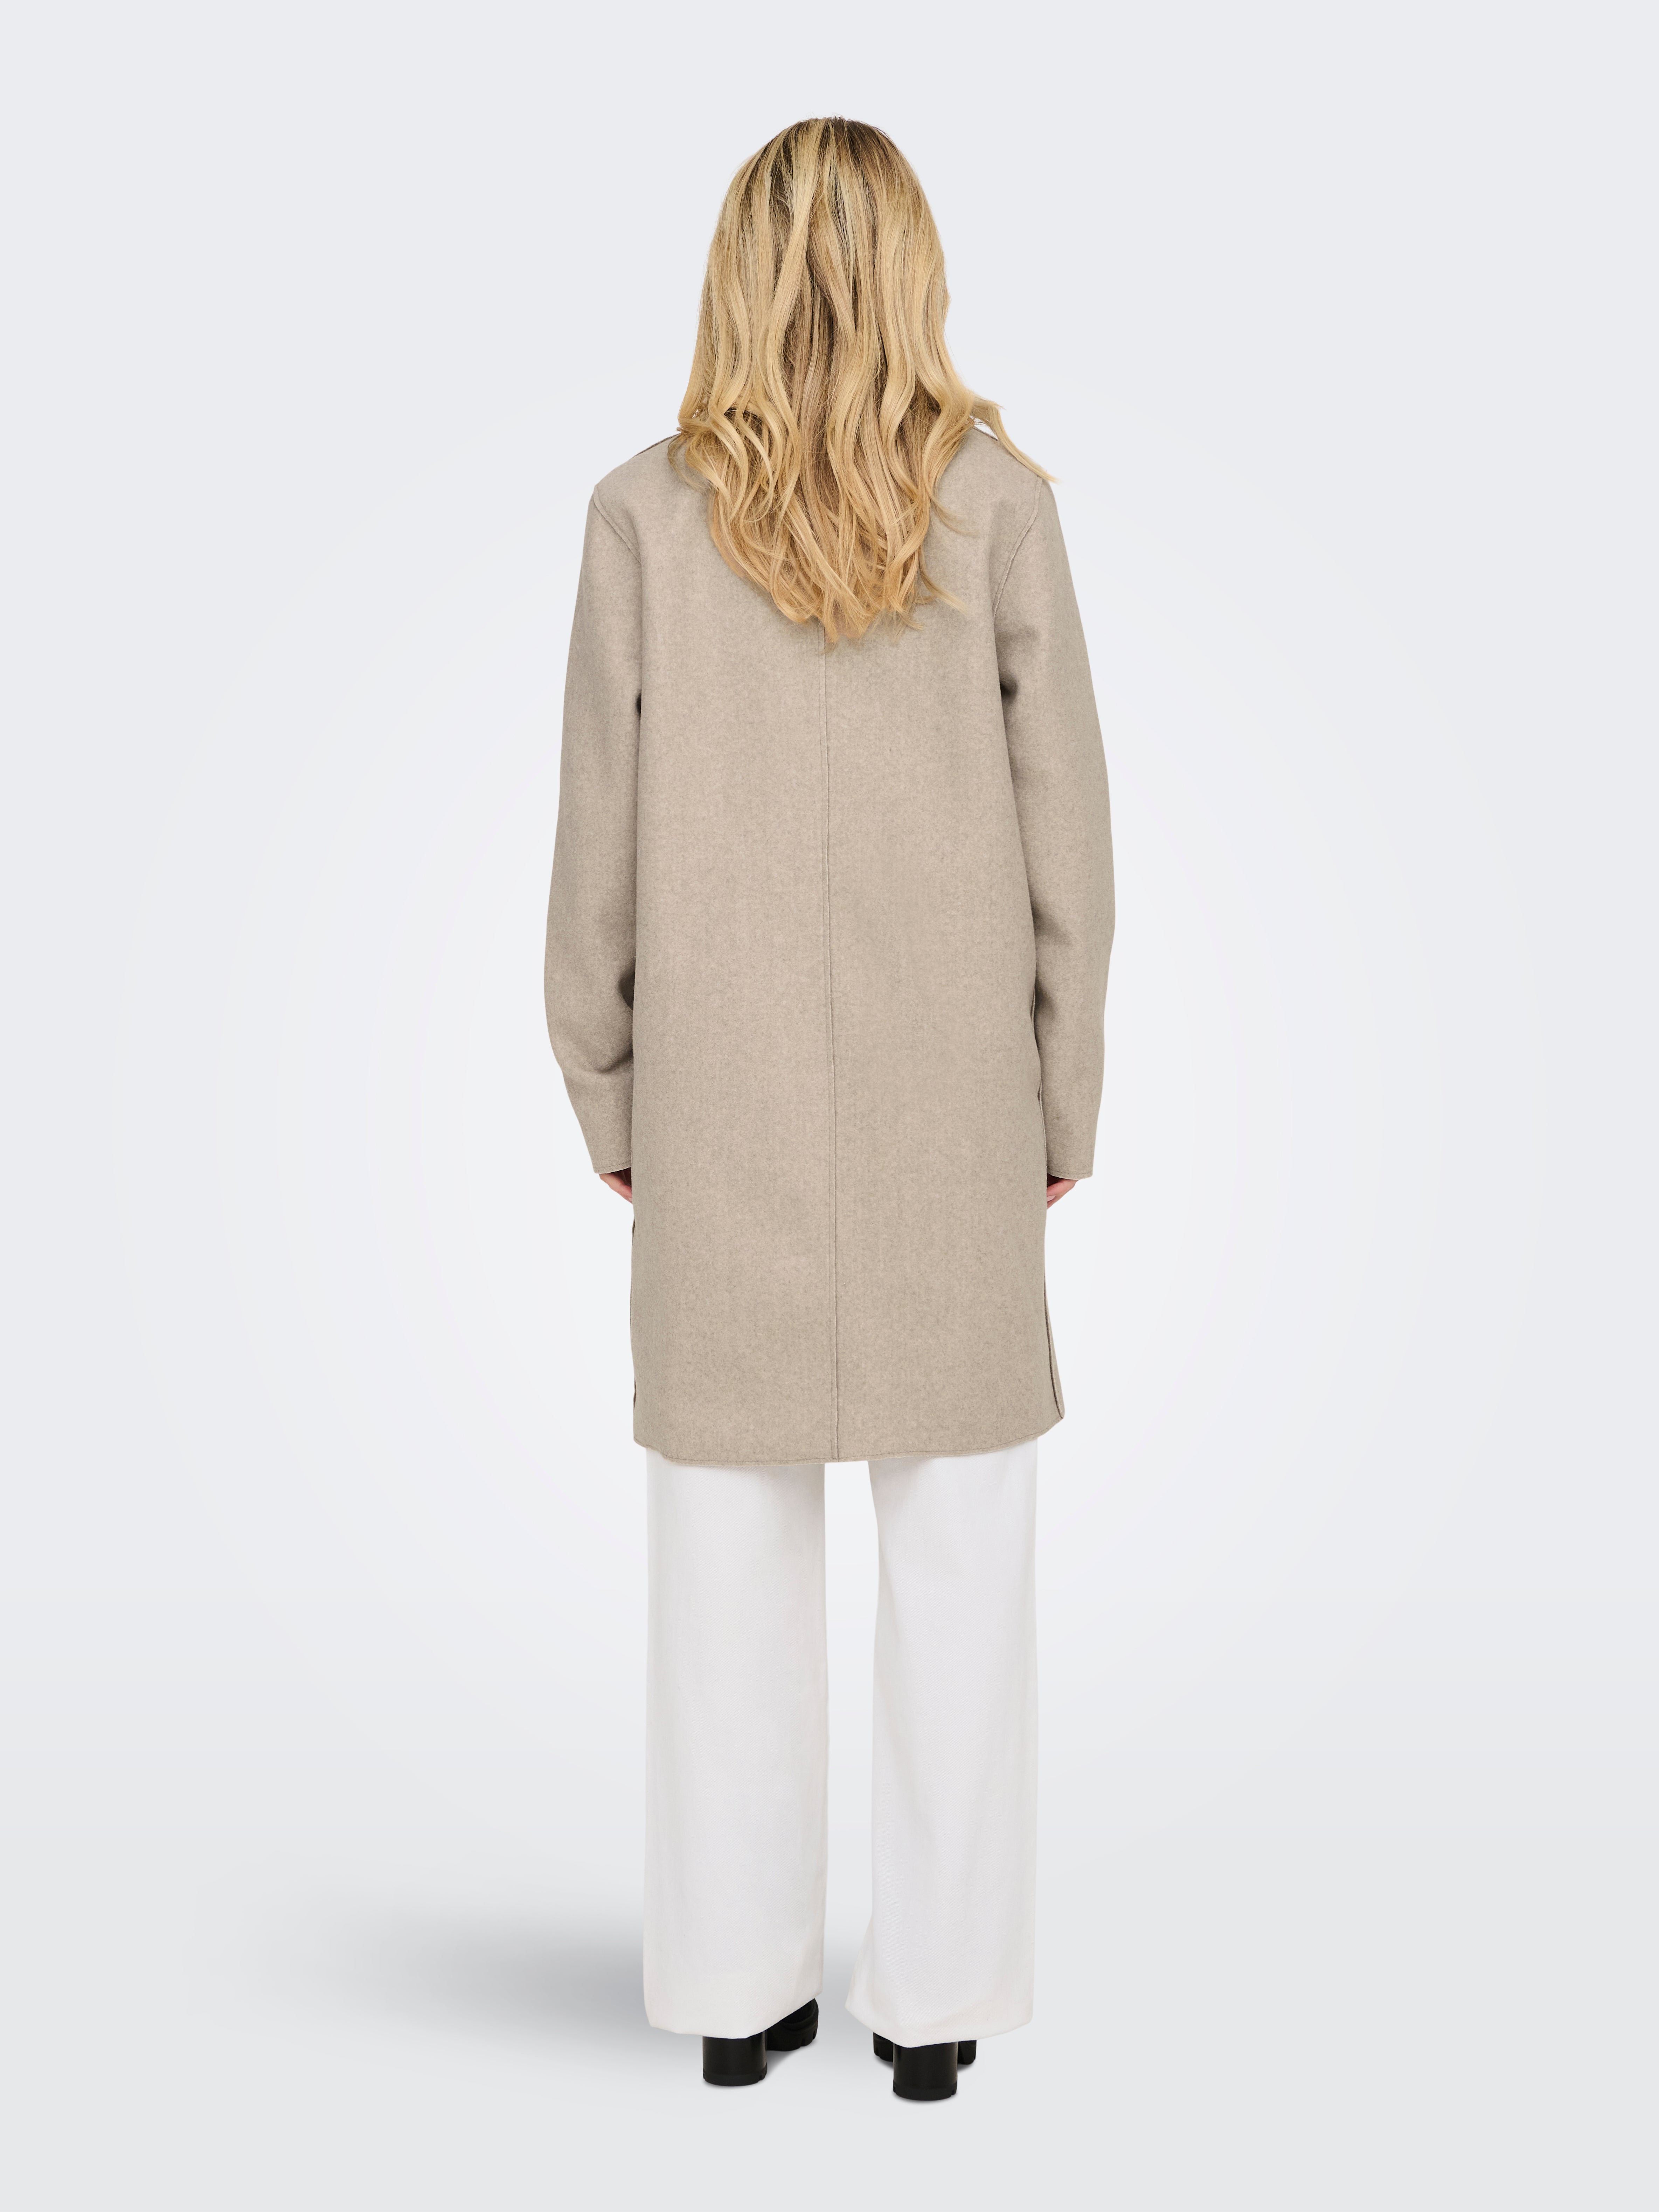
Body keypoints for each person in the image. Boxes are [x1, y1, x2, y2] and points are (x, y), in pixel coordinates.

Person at [543, 117, 1113, 2101]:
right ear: (915, 269)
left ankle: (735, 1992)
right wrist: (1061, 1096)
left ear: (730, 269)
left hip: (722, 1109)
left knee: (723, 1566)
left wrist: (607, 1084)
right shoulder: (1000, 509)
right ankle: (934, 2006)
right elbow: (1071, 845)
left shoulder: (641, 516)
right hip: (955, 1109)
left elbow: (593, 843)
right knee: (962, 1568)